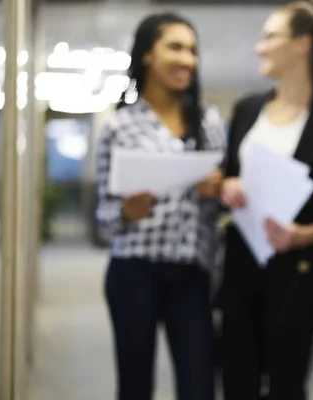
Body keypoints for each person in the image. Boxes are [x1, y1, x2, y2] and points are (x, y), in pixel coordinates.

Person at [218, 0, 313, 399]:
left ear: (303, 44)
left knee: (286, 387)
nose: (259, 47)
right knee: (236, 385)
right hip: (241, 270)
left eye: (269, 37)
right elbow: (227, 178)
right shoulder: (248, 111)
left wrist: (303, 235)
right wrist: (226, 187)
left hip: (296, 278)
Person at [96, 12, 225, 400]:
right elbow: (103, 219)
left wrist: (216, 192)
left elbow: (221, 211)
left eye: (192, 50)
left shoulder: (210, 122)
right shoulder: (120, 127)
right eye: (175, 47)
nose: (187, 59)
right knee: (135, 386)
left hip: (192, 273)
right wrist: (125, 212)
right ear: (148, 55)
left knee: (199, 385)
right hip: (135, 272)